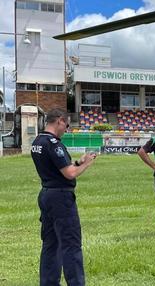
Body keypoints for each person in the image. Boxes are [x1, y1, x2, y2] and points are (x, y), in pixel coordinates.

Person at [32, 108, 98, 286]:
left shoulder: (38, 141)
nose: (66, 129)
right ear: (60, 120)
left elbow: (57, 168)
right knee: (71, 245)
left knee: (51, 244)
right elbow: (69, 174)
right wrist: (87, 164)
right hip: (61, 198)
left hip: (46, 194)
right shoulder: (54, 143)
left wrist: (78, 162)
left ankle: (48, 282)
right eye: (66, 125)